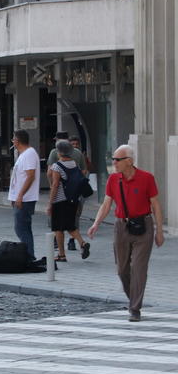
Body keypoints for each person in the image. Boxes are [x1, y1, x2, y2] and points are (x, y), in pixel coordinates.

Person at [87, 145, 166, 322]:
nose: (114, 163)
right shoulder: (113, 179)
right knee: (122, 269)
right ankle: (134, 298)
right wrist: (95, 224)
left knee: (138, 269)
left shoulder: (146, 178)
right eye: (113, 159)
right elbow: (106, 204)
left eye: (117, 160)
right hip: (121, 227)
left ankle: (135, 308)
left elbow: (156, 205)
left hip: (143, 226)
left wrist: (159, 231)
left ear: (129, 161)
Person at [46, 139, 91, 262]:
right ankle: (82, 243)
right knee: (70, 225)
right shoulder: (74, 164)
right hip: (73, 199)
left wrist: (50, 203)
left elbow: (55, 185)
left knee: (58, 228)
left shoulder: (57, 166)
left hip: (60, 201)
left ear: (59, 152)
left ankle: (61, 254)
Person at [9, 129, 40, 261]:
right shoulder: (24, 155)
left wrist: (20, 195)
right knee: (21, 227)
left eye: (13, 139)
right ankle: (28, 254)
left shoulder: (29, 154)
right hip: (19, 197)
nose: (12, 142)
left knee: (22, 228)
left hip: (25, 199)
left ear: (18, 140)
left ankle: (29, 256)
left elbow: (30, 176)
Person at [68, 135, 91, 250]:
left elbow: (86, 169)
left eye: (77, 144)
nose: (75, 146)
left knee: (75, 215)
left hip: (78, 191)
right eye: (73, 144)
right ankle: (61, 239)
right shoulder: (63, 157)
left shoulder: (81, 156)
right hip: (67, 192)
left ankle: (72, 240)